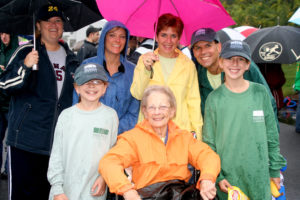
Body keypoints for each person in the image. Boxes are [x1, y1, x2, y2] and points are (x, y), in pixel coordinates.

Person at [0, 5, 79, 200]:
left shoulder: (72, 58)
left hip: (56, 144)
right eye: (48, 21)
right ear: (38, 25)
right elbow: (4, 85)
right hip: (24, 141)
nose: (54, 25)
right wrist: (25, 66)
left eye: (58, 21)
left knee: (48, 194)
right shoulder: (26, 51)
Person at [99, 85, 221, 200]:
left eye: (163, 107)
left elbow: (207, 155)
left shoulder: (184, 137)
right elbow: (109, 162)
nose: (157, 112)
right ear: (145, 111)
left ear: (172, 111)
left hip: (180, 194)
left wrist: (207, 179)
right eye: (152, 107)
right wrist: (127, 190)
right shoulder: (132, 139)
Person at [202, 40, 286, 199]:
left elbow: (272, 135)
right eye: (229, 58)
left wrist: (274, 169)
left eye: (241, 59)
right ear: (220, 62)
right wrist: (217, 176)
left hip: (259, 177)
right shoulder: (214, 99)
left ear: (248, 65)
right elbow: (209, 144)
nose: (235, 63)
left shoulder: (260, 93)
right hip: (229, 180)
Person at [47, 63, 118, 200]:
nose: (91, 86)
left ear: (105, 88)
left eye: (97, 81)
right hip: (64, 193)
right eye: (85, 81)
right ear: (76, 88)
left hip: (94, 193)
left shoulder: (111, 116)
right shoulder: (66, 116)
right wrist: (57, 189)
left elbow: (112, 153)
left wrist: (104, 178)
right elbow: (56, 155)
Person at [190, 28, 280, 130]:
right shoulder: (197, 74)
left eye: (208, 45)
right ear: (193, 51)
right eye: (197, 48)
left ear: (218, 47)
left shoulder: (240, 67)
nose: (203, 52)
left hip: (249, 135)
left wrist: (270, 140)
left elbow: (267, 102)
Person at [130, 13, 203, 139]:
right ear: (156, 37)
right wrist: (146, 70)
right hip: (149, 132)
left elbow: (194, 102)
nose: (168, 41)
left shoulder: (188, 65)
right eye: (164, 35)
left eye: (173, 36)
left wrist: (197, 134)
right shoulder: (144, 60)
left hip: (180, 133)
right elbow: (137, 94)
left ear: (178, 38)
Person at [73, 20, 140, 134]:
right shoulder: (88, 66)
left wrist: (113, 130)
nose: (117, 40)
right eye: (112, 35)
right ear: (104, 37)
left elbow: (134, 111)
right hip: (88, 135)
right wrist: (96, 131)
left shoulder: (134, 71)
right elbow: (77, 103)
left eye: (122, 36)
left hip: (120, 139)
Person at [0, 32, 19, 179]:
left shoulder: (19, 48)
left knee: (11, 140)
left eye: (7, 33)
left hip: (12, 102)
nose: (4, 36)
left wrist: (6, 72)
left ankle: (8, 169)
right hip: (0, 102)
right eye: (1, 34)